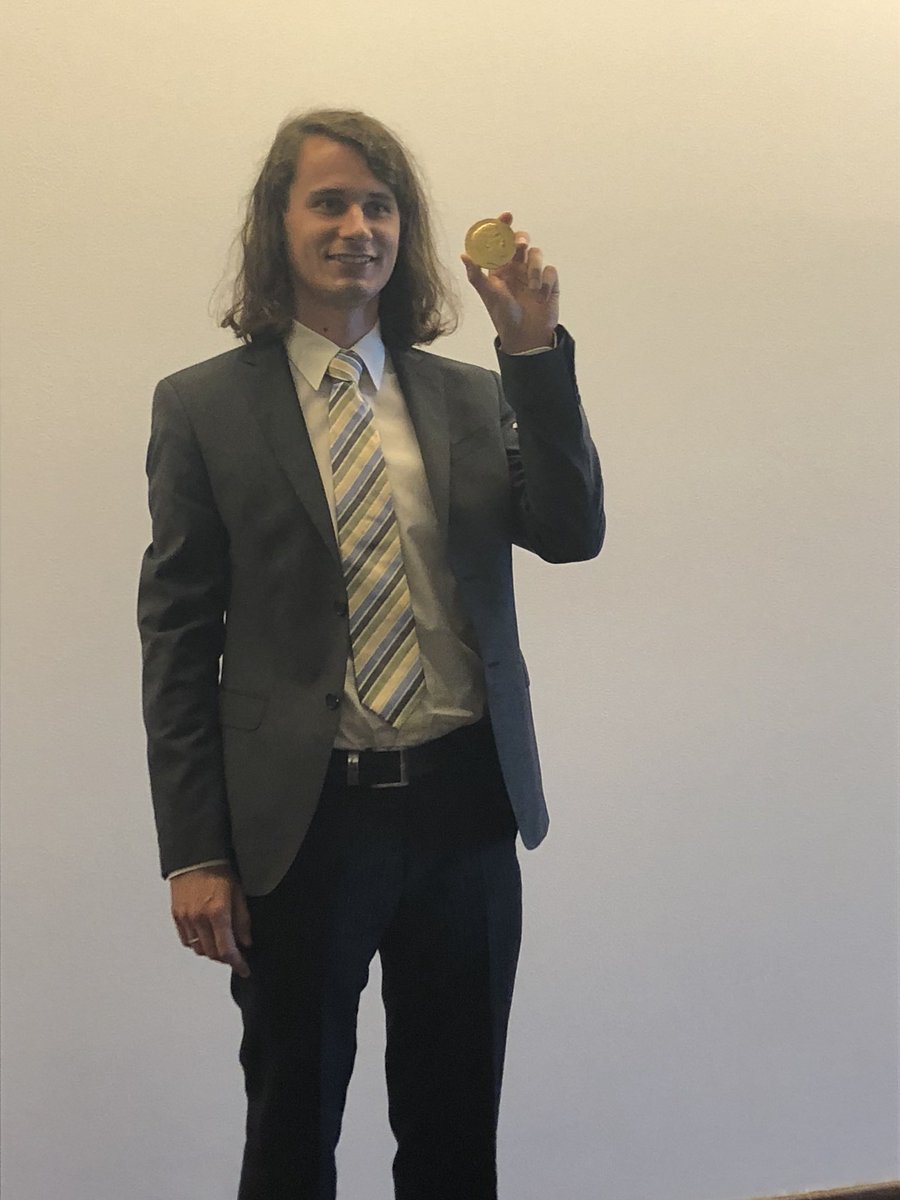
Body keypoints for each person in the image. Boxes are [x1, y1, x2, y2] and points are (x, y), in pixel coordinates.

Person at [138, 108, 604, 1200]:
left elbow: (572, 534)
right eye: (330, 201)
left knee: (453, 1134)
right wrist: (194, 850)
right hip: (304, 828)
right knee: (292, 1128)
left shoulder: (470, 395)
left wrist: (533, 353)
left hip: (466, 812)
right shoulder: (205, 408)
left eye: (379, 205)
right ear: (279, 224)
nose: (358, 226)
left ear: (405, 231)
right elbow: (176, 635)